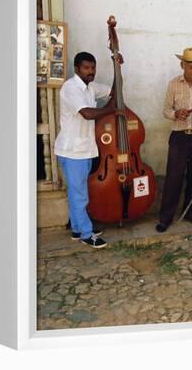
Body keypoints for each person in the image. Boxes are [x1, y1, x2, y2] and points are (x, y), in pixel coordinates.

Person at [54, 51, 123, 248]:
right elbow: (87, 113)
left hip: (85, 150)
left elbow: (114, 91)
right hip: (72, 150)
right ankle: (86, 233)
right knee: (79, 194)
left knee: (77, 192)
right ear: (77, 68)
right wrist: (112, 110)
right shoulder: (70, 88)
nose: (90, 72)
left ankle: (77, 229)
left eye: (93, 68)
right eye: (86, 68)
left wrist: (117, 67)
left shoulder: (90, 87)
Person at [156, 48, 192, 233]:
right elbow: (165, 110)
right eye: (190, 67)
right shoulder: (174, 84)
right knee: (173, 176)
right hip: (179, 136)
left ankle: (190, 212)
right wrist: (176, 114)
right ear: (182, 65)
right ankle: (165, 218)